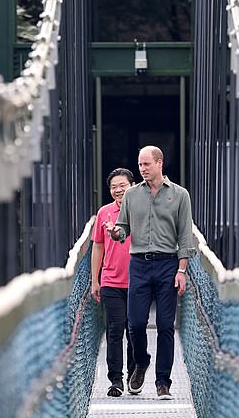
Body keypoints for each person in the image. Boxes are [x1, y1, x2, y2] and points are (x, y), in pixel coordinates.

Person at [104, 146, 193, 401]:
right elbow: (122, 229)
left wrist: (181, 270)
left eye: (146, 164)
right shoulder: (132, 195)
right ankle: (141, 362)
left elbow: (185, 236)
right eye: (140, 165)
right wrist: (115, 233)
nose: (142, 169)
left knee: (166, 325)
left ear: (159, 163)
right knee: (135, 324)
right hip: (139, 264)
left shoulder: (180, 195)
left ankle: (163, 382)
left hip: (167, 264)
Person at [91, 167, 136, 397]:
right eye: (114, 187)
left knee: (135, 331)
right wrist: (94, 280)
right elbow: (97, 246)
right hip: (110, 281)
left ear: (132, 186)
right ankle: (116, 380)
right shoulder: (104, 213)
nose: (118, 190)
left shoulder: (141, 210)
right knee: (114, 330)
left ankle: (133, 375)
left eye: (122, 186)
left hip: (138, 281)